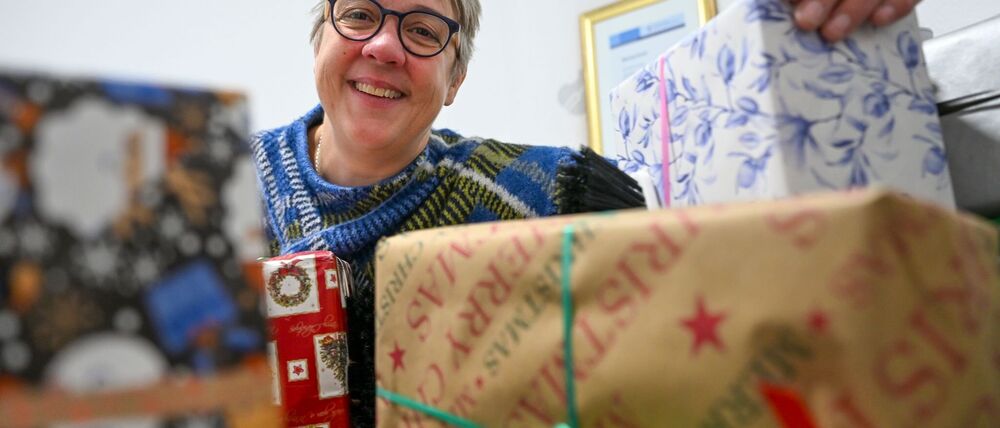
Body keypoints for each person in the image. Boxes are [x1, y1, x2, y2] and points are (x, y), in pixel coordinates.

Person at [250, 0, 920, 424]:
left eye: (424, 30)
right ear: (320, 40)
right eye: (360, 15)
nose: (385, 46)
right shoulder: (213, 192)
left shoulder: (550, 194)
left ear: (455, 80)